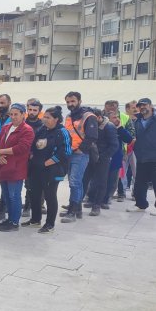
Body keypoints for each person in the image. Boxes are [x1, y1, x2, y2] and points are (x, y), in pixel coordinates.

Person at [21, 106, 71, 233]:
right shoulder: (42, 129)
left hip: (53, 170)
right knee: (34, 195)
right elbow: (33, 145)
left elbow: (66, 152)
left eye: (48, 117)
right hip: (36, 169)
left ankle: (50, 224)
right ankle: (35, 220)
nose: (44, 119)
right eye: (44, 117)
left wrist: (47, 163)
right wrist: (32, 157)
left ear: (56, 119)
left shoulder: (62, 132)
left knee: (50, 196)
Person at [0, 103, 34, 232]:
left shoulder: (27, 130)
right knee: (6, 195)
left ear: (23, 115)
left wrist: (1, 152)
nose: (13, 117)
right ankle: (9, 218)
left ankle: (14, 222)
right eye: (11, 114)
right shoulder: (6, 127)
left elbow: (21, 148)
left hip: (16, 168)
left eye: (16, 114)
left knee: (14, 195)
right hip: (3, 166)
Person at [60, 92, 98, 223]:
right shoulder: (69, 116)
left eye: (73, 101)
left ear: (79, 101)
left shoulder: (88, 116)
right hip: (70, 154)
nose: (70, 104)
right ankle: (77, 209)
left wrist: (79, 149)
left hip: (80, 154)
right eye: (68, 102)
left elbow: (92, 136)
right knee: (75, 182)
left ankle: (73, 212)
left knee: (75, 182)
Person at [82, 109, 118, 216]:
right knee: (84, 181)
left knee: (101, 182)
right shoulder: (89, 124)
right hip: (89, 157)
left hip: (102, 159)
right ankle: (77, 204)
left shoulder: (109, 127)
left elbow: (114, 146)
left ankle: (96, 206)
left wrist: (103, 157)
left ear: (98, 117)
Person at [126, 98, 156, 215]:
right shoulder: (138, 121)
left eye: (145, 105)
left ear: (150, 105)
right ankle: (140, 205)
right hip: (142, 157)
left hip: (155, 157)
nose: (142, 107)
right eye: (140, 106)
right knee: (139, 183)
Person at [102, 111, 133, 208]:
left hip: (116, 159)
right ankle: (97, 200)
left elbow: (129, 139)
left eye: (117, 117)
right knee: (101, 180)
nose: (117, 119)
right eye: (114, 117)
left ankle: (106, 200)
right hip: (104, 158)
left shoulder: (120, 129)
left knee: (112, 182)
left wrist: (120, 127)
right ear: (108, 119)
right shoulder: (103, 129)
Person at [22, 99, 43, 219]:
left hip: (36, 158)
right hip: (23, 158)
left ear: (39, 111)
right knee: (27, 184)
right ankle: (26, 205)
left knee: (36, 184)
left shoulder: (42, 125)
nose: (32, 112)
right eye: (30, 109)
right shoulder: (22, 123)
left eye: (35, 110)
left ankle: (34, 206)